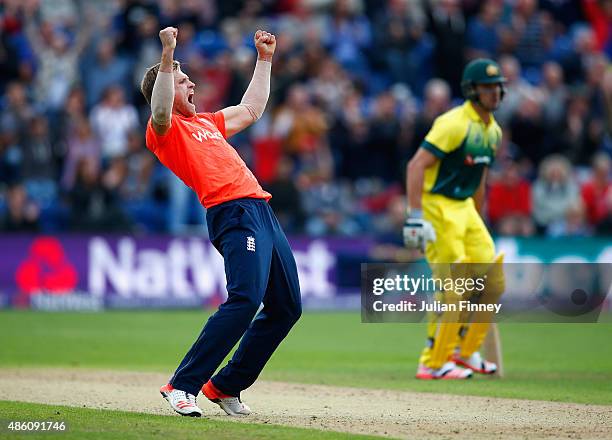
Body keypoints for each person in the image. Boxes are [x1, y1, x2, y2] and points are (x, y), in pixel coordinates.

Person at [141, 27, 301, 417]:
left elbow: (251, 110)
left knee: (286, 307)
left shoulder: (208, 122)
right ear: (166, 86)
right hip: (232, 213)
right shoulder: (164, 129)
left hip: (261, 210)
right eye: (182, 80)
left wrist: (264, 60)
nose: (191, 81)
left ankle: (226, 385)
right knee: (245, 299)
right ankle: (182, 385)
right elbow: (160, 108)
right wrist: (167, 55)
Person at [404, 58, 506, 380]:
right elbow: (416, 165)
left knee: (492, 280)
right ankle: (433, 361)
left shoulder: (494, 131)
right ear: (471, 89)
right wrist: (415, 217)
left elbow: (479, 178)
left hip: (464, 208)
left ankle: (465, 352)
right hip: (437, 205)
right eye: (487, 87)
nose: (495, 93)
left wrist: (479, 218)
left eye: (497, 86)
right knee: (454, 286)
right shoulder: (453, 123)